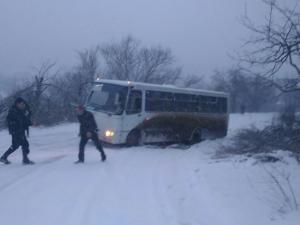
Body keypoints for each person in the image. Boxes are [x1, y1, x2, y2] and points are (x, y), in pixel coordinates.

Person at [0, 97, 34, 165]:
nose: (22, 105)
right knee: (23, 144)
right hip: (16, 131)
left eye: (23, 104)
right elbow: (12, 121)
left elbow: (24, 121)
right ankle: (25, 160)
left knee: (17, 145)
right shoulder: (13, 111)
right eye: (21, 104)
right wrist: (16, 127)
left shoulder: (20, 111)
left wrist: (30, 122)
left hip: (20, 131)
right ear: (17, 104)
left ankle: (4, 157)